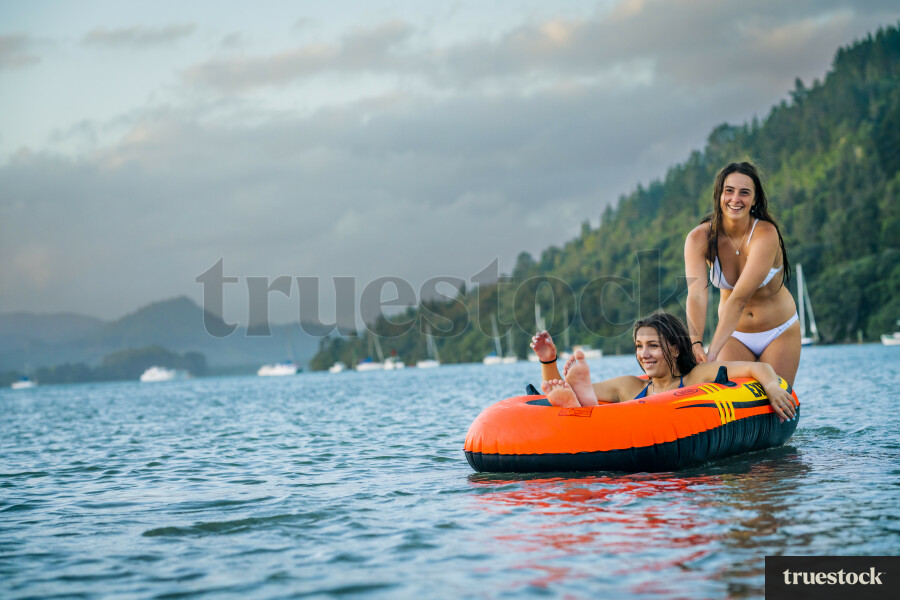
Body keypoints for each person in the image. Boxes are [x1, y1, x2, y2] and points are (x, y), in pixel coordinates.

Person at [530, 312, 797, 422]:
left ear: (675, 348)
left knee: (582, 396)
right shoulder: (629, 386)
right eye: (639, 346)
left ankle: (587, 402)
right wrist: (548, 360)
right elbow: (556, 391)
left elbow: (755, 368)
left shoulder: (696, 377)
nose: (644, 354)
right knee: (578, 396)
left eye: (653, 346)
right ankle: (588, 403)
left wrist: (772, 386)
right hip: (631, 446)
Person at [684, 161, 800, 385]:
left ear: (755, 199)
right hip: (733, 335)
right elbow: (696, 295)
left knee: (775, 398)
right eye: (729, 191)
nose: (735, 199)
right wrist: (695, 343)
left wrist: (711, 355)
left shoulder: (765, 234)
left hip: (779, 331)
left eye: (744, 193)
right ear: (719, 195)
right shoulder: (699, 238)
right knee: (726, 398)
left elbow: (738, 299)